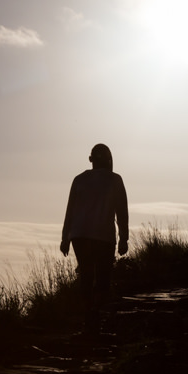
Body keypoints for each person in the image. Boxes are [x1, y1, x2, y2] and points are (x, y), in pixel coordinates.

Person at [61, 143, 129, 335]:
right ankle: (94, 314)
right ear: (109, 160)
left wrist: (65, 238)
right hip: (103, 236)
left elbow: (70, 211)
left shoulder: (79, 180)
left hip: (79, 235)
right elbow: (121, 212)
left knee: (86, 275)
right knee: (102, 278)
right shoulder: (115, 180)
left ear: (91, 160)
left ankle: (88, 315)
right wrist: (124, 238)